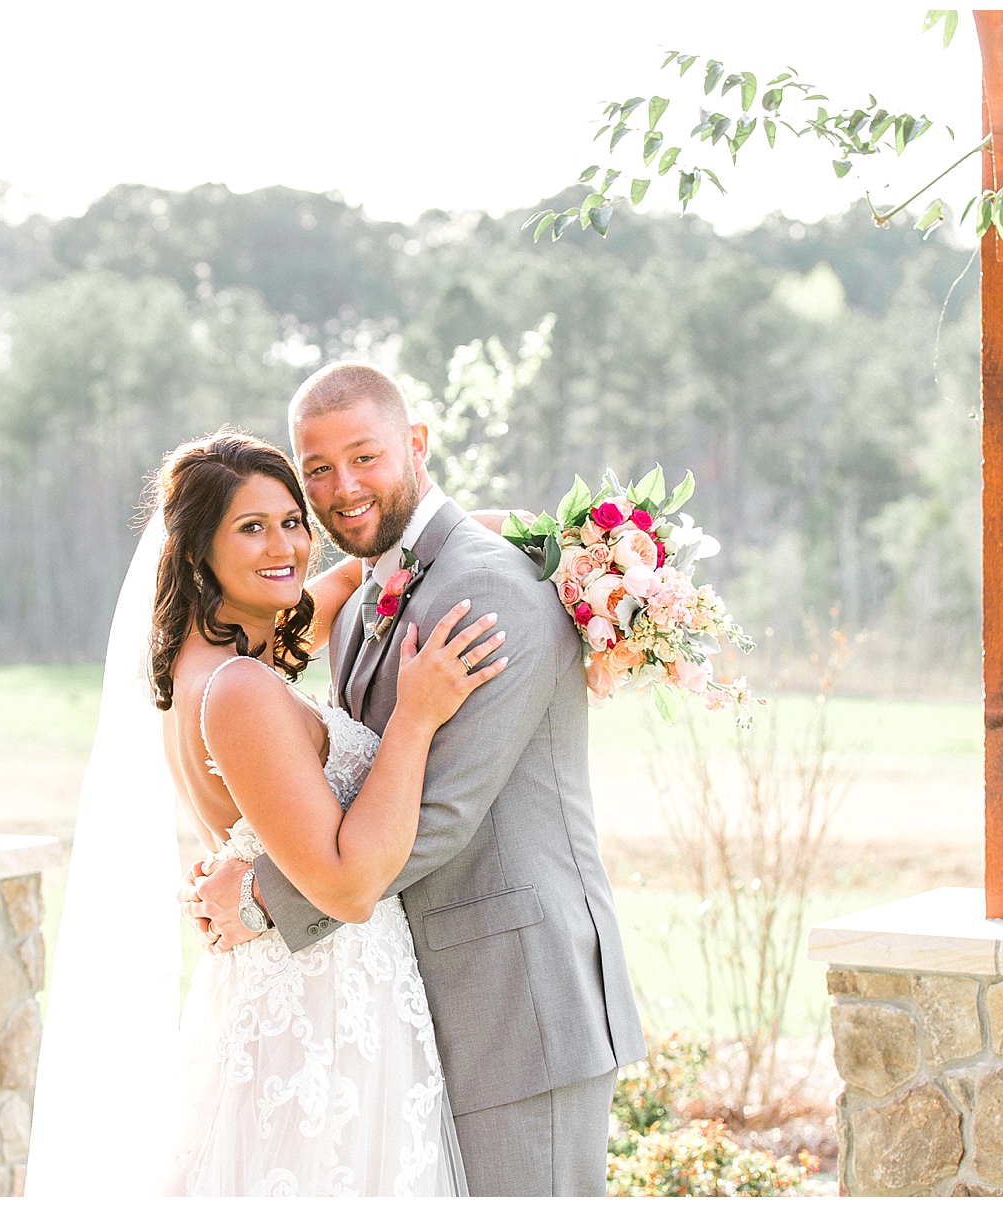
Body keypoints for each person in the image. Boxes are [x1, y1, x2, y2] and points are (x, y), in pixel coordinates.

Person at [187, 362, 646, 1196]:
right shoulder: (370, 595)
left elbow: (439, 814)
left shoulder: (488, 586)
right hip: (425, 1001)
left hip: (520, 1003)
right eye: (317, 468)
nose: (341, 488)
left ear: (417, 444)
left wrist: (262, 894)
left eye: (365, 457)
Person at [152, 431, 507, 1195]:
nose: (284, 546)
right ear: (194, 553)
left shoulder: (215, 661)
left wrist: (477, 530)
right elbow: (345, 888)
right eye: (251, 528)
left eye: (290, 521)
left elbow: (338, 583)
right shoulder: (241, 688)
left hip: (299, 991)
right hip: (322, 1010)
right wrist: (414, 717)